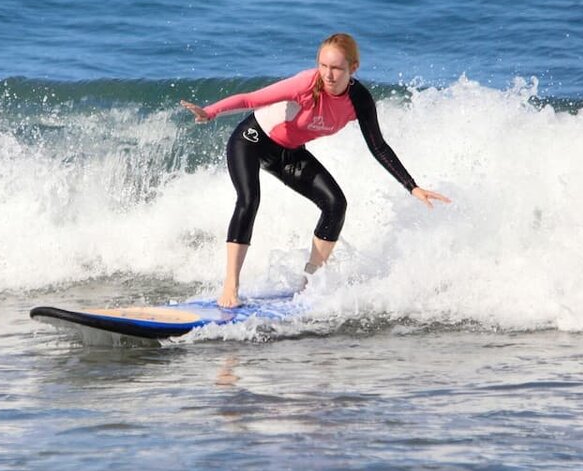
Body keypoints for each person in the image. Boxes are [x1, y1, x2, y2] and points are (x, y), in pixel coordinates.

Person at [181, 33, 451, 308]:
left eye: (336, 68)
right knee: (249, 200)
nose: (328, 74)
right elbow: (251, 99)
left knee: (336, 204)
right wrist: (210, 112)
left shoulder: (359, 99)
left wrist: (412, 186)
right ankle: (230, 287)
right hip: (251, 141)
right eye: (323, 66)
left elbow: (378, 146)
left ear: (353, 68)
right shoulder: (306, 84)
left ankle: (310, 283)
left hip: (289, 153)